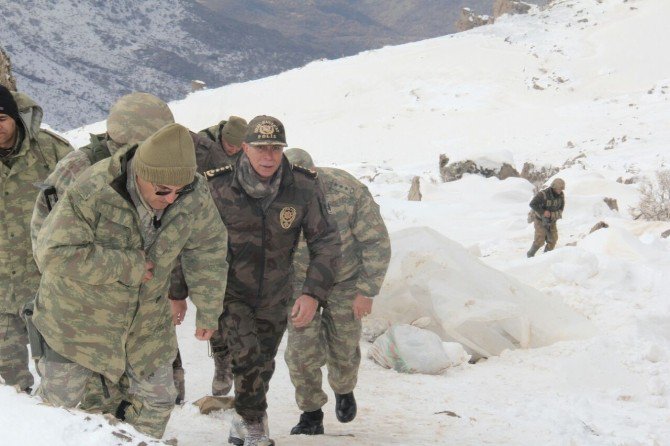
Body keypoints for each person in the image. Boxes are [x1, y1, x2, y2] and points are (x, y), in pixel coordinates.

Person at [31, 123, 229, 439]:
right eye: (163, 190)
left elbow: (208, 247)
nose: (171, 198)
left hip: (146, 322)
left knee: (158, 399)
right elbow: (52, 253)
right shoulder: (94, 190)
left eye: (181, 189)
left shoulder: (191, 192)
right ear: (139, 173)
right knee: (60, 409)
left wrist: (209, 308)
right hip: (76, 321)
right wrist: (126, 265)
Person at [170, 115, 341, 446]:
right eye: (261, 148)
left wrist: (313, 293)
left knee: (262, 363)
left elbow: (326, 242)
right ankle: (254, 426)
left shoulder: (303, 186)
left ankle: (244, 418)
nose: (268, 156)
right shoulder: (217, 186)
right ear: (244, 148)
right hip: (230, 292)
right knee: (246, 356)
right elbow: (187, 240)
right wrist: (177, 293)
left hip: (277, 294)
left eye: (276, 148)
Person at [283, 148, 391, 435]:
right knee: (300, 350)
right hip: (300, 282)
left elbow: (376, 242)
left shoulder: (347, 191)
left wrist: (366, 291)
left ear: (315, 173)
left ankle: (344, 388)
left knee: (343, 345)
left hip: (345, 280)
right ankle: (311, 412)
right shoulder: (274, 193)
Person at [169, 115, 248, 400]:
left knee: (217, 301)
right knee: (166, 304)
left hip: (222, 234)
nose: (232, 151)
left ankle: (222, 362)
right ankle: (172, 374)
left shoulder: (249, 153)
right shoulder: (198, 147)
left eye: (237, 148)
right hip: (181, 227)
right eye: (229, 145)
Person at [0, 85, 73, 393]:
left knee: (58, 370)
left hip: (44, 281)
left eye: (1, 117)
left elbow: (87, 202)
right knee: (10, 378)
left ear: (15, 117)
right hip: (1, 288)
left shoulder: (51, 152)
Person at [527, 177, 565, 257]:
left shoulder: (561, 196)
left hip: (552, 221)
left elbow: (561, 209)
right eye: (559, 189)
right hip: (540, 220)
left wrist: (552, 215)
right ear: (554, 187)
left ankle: (545, 257)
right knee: (540, 240)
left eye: (561, 189)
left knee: (553, 240)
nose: (560, 191)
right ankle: (530, 255)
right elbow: (532, 204)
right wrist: (543, 212)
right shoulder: (543, 194)